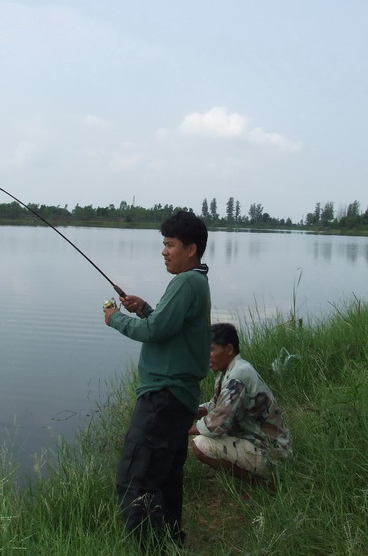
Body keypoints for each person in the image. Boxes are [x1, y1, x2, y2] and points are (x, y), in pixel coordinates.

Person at [103, 210, 211, 548]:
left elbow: (154, 332)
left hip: (162, 398)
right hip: (177, 397)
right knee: (164, 477)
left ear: (190, 249)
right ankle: (172, 543)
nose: (164, 251)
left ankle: (149, 549)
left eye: (170, 245)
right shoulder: (196, 281)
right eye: (163, 244)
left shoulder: (185, 281)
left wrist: (115, 320)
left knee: (134, 481)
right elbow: (166, 327)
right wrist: (145, 308)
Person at [189, 322, 291, 481]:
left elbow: (218, 423)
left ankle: (264, 485)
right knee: (204, 438)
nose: (206, 355)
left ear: (229, 349)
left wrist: (182, 428)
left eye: (211, 350)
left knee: (201, 445)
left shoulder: (237, 376)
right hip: (266, 443)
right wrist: (188, 411)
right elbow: (216, 407)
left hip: (272, 453)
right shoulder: (231, 371)